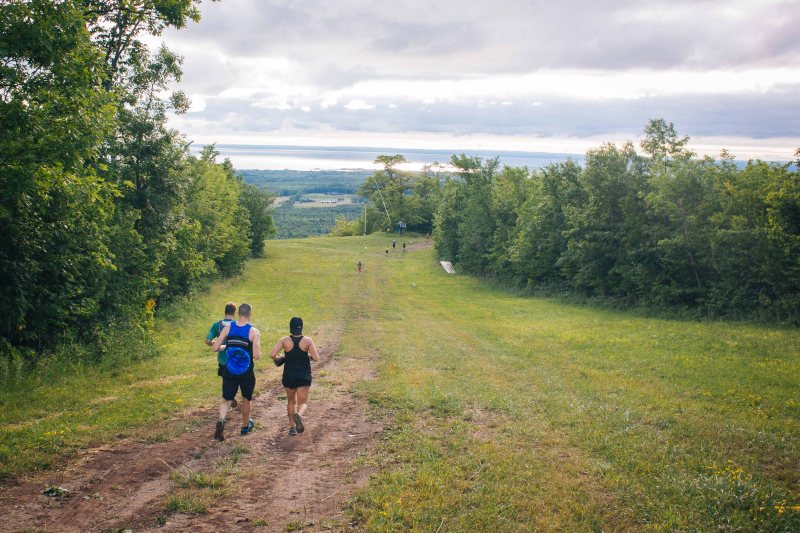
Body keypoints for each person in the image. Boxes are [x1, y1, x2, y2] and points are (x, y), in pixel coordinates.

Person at [211, 303, 261, 441]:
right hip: (246, 371)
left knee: (227, 398)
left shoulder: (228, 328)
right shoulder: (254, 332)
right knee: (246, 399)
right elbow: (256, 356)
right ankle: (245, 426)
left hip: (229, 369)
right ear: (250, 314)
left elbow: (215, 347)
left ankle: (221, 420)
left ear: (238, 313)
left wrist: (227, 346)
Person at [269, 317, 320, 436]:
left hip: (289, 375)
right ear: (302, 327)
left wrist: (279, 358)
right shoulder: (307, 341)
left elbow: (272, 354)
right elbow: (317, 358)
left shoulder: (284, 340)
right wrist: (308, 356)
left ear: (290, 327)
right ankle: (299, 415)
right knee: (303, 402)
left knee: (291, 401)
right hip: (303, 375)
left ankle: (292, 428)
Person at [205, 302, 238, 410]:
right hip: (235, 358)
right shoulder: (237, 325)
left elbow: (208, 340)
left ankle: (228, 398)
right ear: (234, 312)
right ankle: (230, 398)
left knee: (226, 379)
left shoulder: (217, 325)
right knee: (235, 380)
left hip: (223, 359)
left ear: (225, 312)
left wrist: (214, 343)